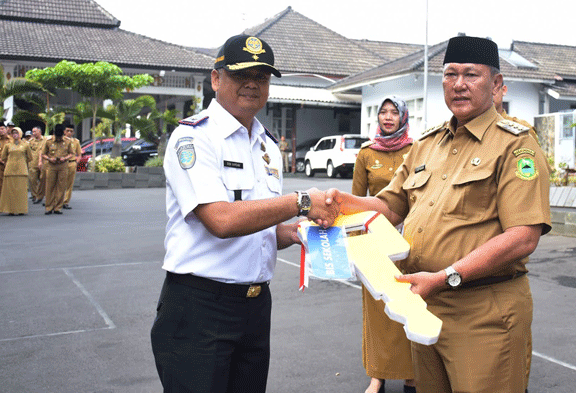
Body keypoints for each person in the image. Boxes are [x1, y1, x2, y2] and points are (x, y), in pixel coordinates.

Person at [327, 36, 551, 393]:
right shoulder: (428, 144)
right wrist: (335, 201)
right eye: (450, 74)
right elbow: (388, 207)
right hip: (425, 307)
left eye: (470, 75)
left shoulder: (515, 145)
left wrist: (446, 276)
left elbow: (523, 236)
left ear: (495, 84)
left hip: (484, 313)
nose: (458, 84)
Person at [150, 34, 338, 393]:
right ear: (216, 79)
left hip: (254, 308)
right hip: (199, 308)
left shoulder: (267, 145)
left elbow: (261, 229)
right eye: (241, 74)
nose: (253, 83)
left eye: (262, 76)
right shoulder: (193, 139)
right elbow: (221, 220)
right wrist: (301, 202)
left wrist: (300, 232)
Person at [353, 96, 415, 393]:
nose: (388, 117)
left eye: (394, 112)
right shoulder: (366, 153)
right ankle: (377, 375)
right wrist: (354, 243)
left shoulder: (417, 150)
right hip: (375, 240)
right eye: (383, 112)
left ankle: (411, 373)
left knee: (408, 303)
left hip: (410, 240)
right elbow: (355, 201)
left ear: (403, 116)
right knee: (377, 306)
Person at [41, 124, 74, 215]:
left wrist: (65, 158)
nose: (59, 138)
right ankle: (48, 207)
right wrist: (49, 158)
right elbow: (43, 154)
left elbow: (71, 153)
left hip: (63, 166)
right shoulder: (49, 141)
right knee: (50, 187)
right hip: (51, 166)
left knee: (61, 187)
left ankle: (58, 207)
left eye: (60, 136)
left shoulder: (67, 142)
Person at [0, 127, 32, 215]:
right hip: (10, 170)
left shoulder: (25, 145)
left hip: (21, 171)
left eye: (16, 133)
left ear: (20, 134)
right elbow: (3, 157)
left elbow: (30, 157)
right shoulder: (8, 145)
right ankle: (11, 210)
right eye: (13, 133)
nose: (15, 135)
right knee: (10, 191)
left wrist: (21, 162)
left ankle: (21, 209)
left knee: (21, 191)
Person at [62, 124, 80, 209]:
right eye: (67, 131)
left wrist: (76, 162)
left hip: (72, 163)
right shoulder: (61, 140)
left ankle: (65, 202)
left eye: (71, 131)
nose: (69, 132)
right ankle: (57, 200)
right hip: (62, 163)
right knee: (60, 183)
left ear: (73, 132)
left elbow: (79, 154)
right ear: (64, 131)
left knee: (69, 184)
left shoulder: (76, 141)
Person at [28, 126, 45, 204]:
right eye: (32, 131)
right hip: (33, 164)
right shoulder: (31, 141)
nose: (33, 133)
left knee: (43, 180)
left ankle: (40, 195)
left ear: (39, 132)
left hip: (43, 164)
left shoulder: (45, 140)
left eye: (35, 131)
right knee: (33, 181)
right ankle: (35, 196)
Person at [0, 120, 10, 195]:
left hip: (9, 165)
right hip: (0, 166)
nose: (1, 131)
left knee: (9, 184)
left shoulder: (11, 140)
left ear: (6, 129)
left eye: (2, 128)